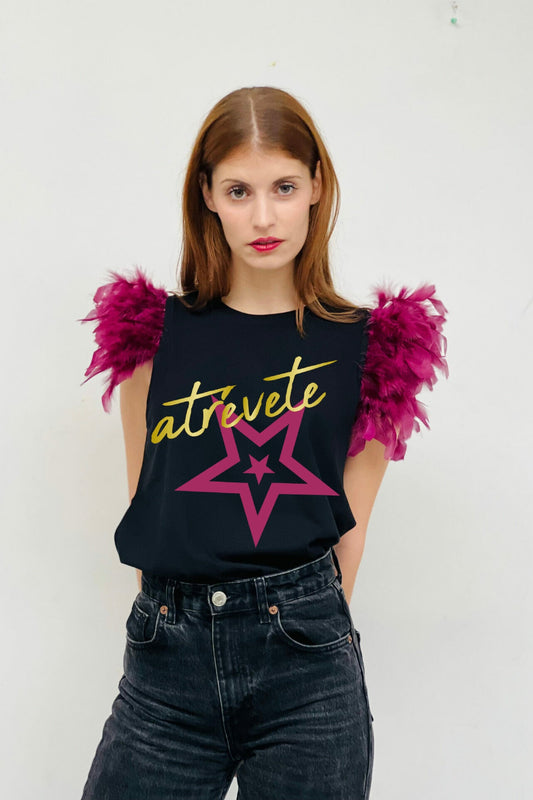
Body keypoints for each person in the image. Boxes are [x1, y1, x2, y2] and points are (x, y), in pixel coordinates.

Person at [78, 86, 448, 800]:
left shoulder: (373, 347)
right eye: (238, 191)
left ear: (316, 185)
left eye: (283, 187)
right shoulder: (150, 335)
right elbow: (146, 501)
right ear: (208, 196)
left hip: (306, 669)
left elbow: (351, 527)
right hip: (165, 666)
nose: (263, 217)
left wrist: (303, 626)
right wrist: (170, 619)